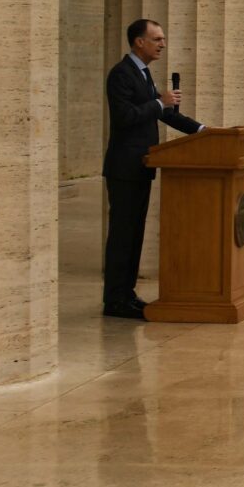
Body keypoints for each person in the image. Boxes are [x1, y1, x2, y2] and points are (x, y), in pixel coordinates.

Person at [103, 17, 204, 319]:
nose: (162, 44)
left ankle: (127, 294)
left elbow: (165, 114)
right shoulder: (121, 74)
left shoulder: (143, 74)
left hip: (141, 167)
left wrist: (203, 130)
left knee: (134, 235)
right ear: (139, 42)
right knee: (122, 236)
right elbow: (125, 117)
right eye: (157, 39)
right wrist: (160, 103)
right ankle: (115, 300)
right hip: (124, 168)